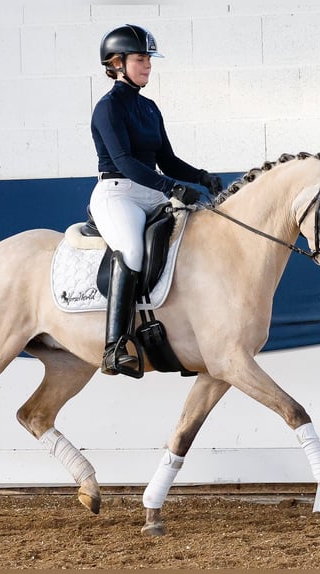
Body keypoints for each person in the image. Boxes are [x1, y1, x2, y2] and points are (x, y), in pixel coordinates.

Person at [90, 23, 223, 377]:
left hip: (151, 190)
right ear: (116, 63)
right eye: (139, 58)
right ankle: (114, 346)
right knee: (132, 251)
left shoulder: (149, 108)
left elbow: (168, 160)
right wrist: (171, 188)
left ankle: (183, 336)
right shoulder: (107, 109)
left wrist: (200, 177)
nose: (147, 65)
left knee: (190, 242)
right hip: (118, 194)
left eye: (148, 59)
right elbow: (125, 162)